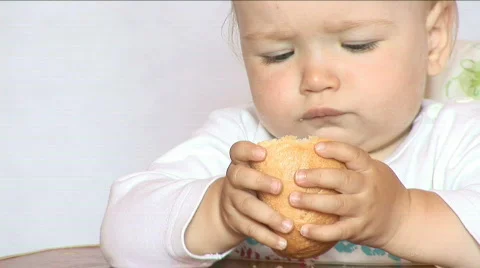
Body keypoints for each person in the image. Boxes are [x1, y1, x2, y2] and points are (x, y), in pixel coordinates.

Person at [100, 1, 480, 267]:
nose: (315, 80)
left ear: (434, 38)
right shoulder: (242, 145)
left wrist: (402, 216)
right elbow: (123, 237)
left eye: (356, 45)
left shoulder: (459, 138)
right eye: (277, 54)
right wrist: (218, 211)